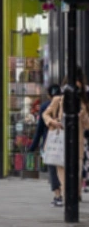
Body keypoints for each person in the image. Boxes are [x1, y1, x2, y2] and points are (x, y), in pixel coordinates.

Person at [42, 75, 89, 206]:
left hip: (77, 144)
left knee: (77, 173)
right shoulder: (58, 100)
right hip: (60, 143)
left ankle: (72, 196)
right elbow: (45, 114)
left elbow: (87, 125)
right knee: (62, 173)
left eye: (78, 88)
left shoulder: (83, 104)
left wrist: (83, 115)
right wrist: (52, 121)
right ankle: (65, 197)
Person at [30, 84, 64, 205]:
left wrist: (32, 146)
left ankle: (58, 195)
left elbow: (39, 129)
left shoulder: (45, 106)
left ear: (49, 94)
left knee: (52, 168)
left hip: (50, 142)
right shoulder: (66, 103)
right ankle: (67, 193)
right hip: (65, 142)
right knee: (63, 168)